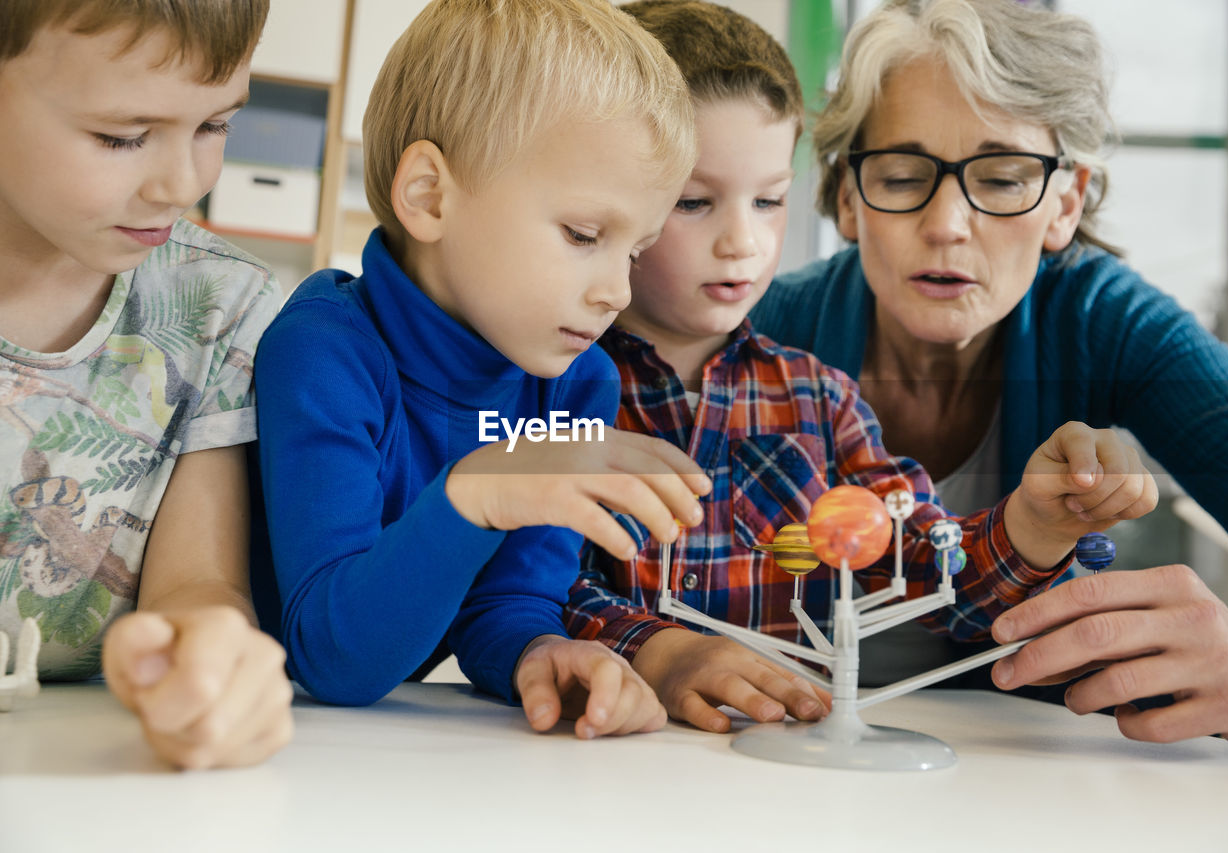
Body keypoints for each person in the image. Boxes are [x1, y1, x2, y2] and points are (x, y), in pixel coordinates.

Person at [565, 0, 1156, 735]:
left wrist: (1033, 523)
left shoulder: (819, 396)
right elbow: (517, 591)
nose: (743, 242)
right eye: (693, 201)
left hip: (786, 772)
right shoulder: (547, 385)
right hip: (599, 763)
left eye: (770, 200)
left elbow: (921, 566)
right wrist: (657, 649)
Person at [748, 0, 1228, 744]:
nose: (947, 223)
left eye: (1001, 180)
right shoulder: (758, 329)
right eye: (901, 176)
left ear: (1064, 203)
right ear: (846, 195)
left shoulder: (1104, 320)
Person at [252, 0, 710, 739]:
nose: (618, 292)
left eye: (633, 250)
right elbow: (333, 657)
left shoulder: (577, 383)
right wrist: (478, 491)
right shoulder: (322, 351)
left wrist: (538, 650)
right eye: (583, 234)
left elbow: (507, 601)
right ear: (429, 196)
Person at [0, 0, 293, 769]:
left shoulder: (221, 308)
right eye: (122, 137)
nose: (181, 184)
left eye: (216, 125)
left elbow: (197, 582)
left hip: (81, 772)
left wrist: (209, 658)